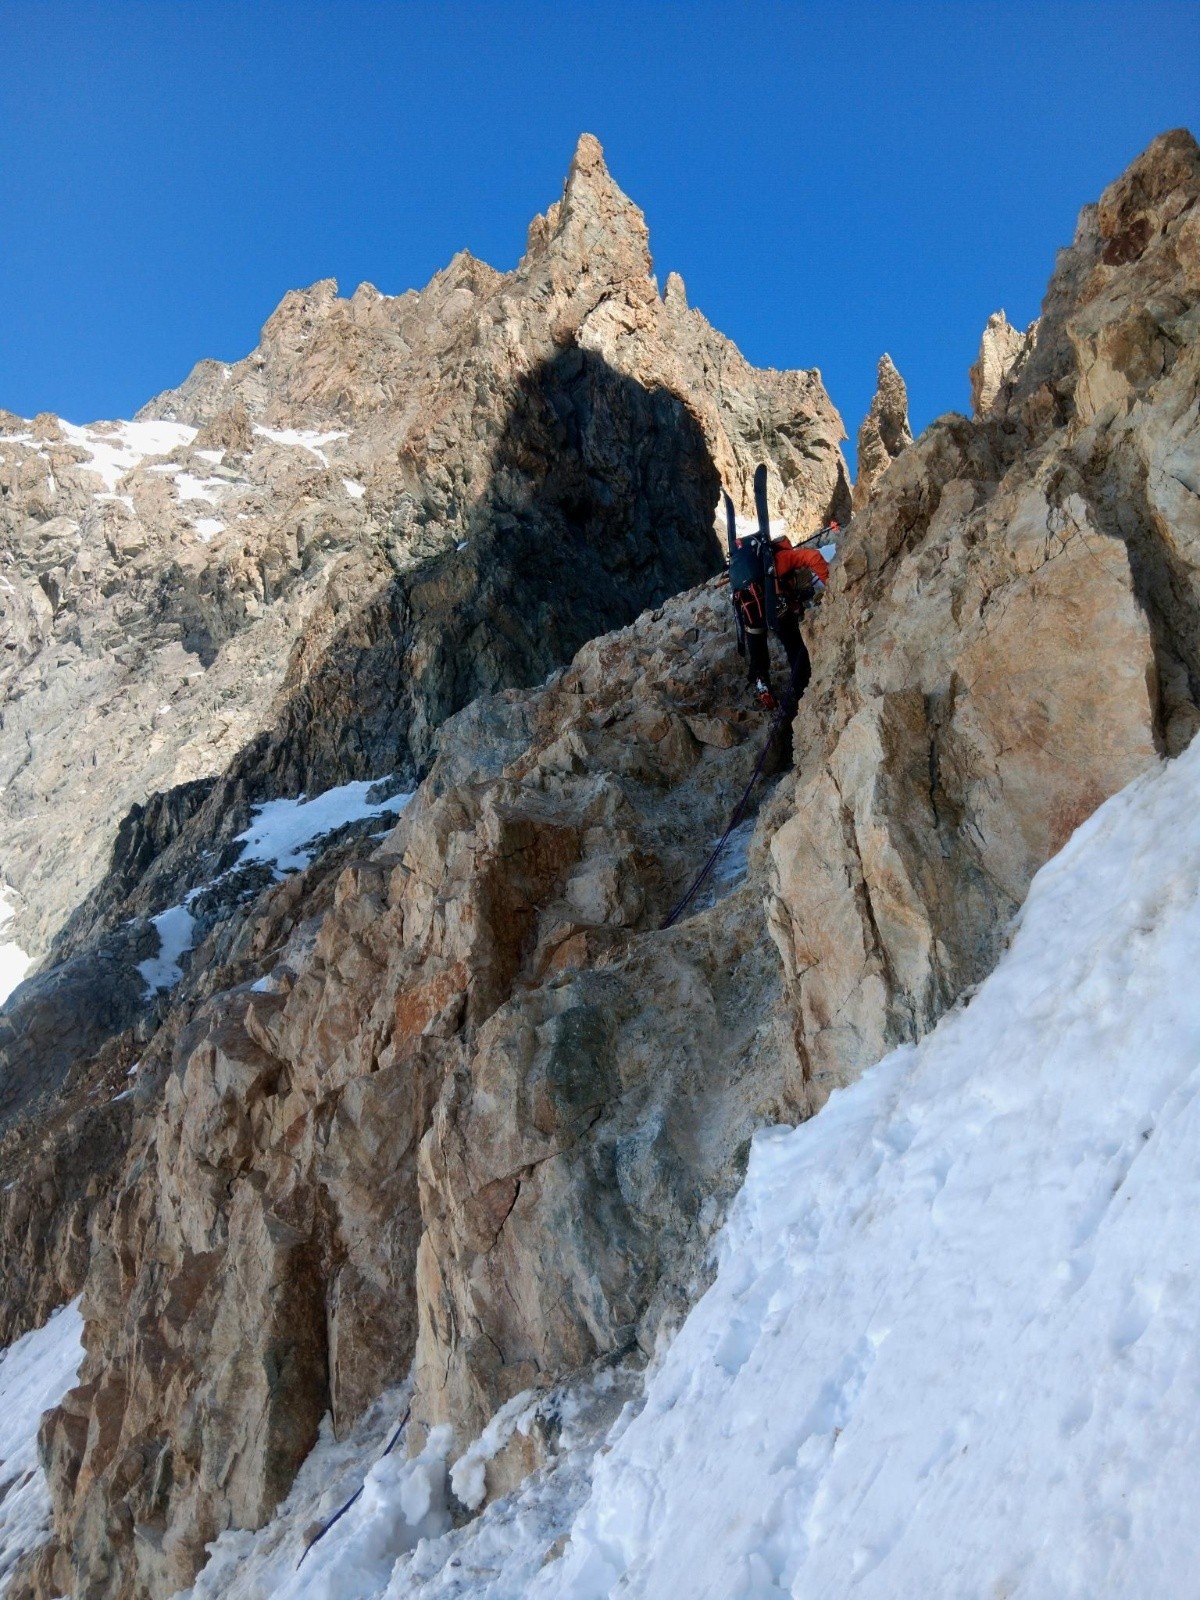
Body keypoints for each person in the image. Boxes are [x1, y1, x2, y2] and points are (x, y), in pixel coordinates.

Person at [729, 520, 833, 711]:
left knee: (758, 653)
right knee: (794, 647)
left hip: (750, 612)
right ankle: (801, 690)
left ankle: (761, 681)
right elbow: (812, 557)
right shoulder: (781, 558)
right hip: (777, 611)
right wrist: (832, 584)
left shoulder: (746, 568)